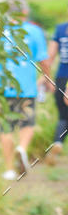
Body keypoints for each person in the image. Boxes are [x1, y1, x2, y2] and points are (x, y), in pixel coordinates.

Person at [0, 0, 48, 181]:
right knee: (27, 123)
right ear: (25, 12)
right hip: (26, 86)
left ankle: (10, 169)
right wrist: (47, 78)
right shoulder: (34, 31)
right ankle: (22, 148)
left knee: (6, 128)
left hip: (3, 87)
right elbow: (43, 59)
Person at [44, 13, 68, 161]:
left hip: (61, 78)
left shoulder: (60, 29)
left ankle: (57, 142)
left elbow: (49, 58)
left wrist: (46, 79)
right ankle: (58, 143)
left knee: (63, 116)